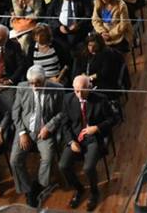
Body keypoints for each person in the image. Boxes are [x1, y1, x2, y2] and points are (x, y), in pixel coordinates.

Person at [57, 75, 117, 211]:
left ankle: (94, 192)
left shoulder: (101, 99)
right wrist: (71, 141)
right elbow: (65, 124)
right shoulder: (67, 99)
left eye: (82, 90)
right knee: (63, 165)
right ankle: (79, 189)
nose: (79, 94)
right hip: (76, 138)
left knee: (88, 168)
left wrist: (97, 128)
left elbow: (113, 119)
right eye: (76, 90)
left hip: (94, 138)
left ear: (89, 88)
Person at [11, 65, 64, 207]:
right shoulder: (22, 87)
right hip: (25, 130)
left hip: (44, 131)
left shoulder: (57, 89)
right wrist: (22, 133)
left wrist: (49, 127)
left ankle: (39, 186)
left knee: (47, 158)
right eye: (31, 83)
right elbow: (15, 112)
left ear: (44, 79)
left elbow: (62, 113)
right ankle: (27, 190)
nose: (34, 86)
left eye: (37, 83)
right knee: (15, 160)